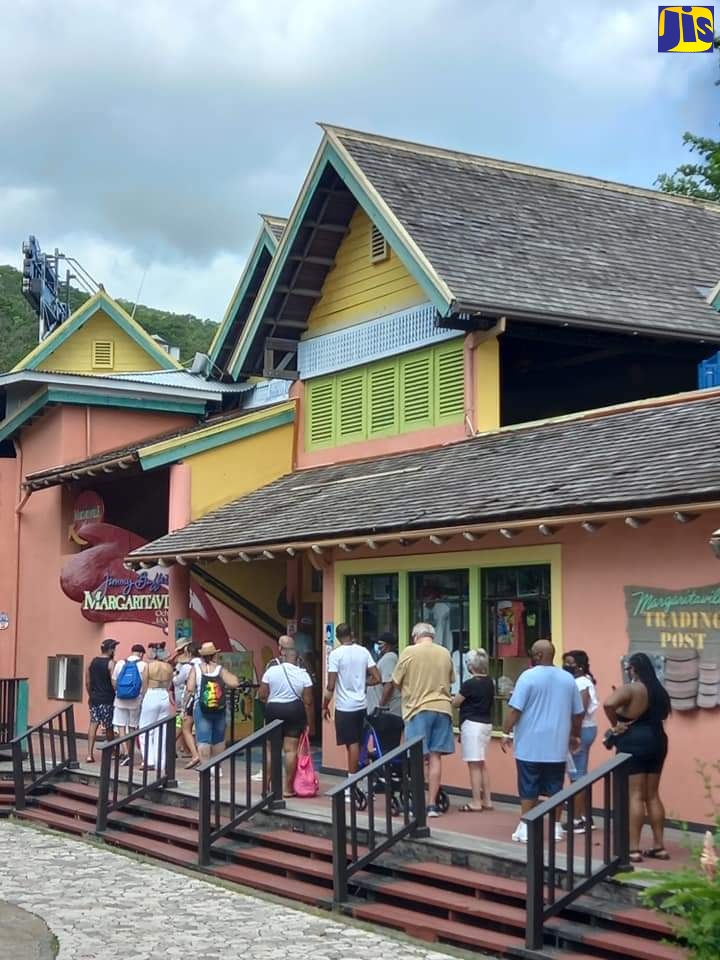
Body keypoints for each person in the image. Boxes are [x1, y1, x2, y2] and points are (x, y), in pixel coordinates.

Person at [501, 639, 583, 844]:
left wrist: (505, 731)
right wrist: (574, 735)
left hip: (530, 743)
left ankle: (527, 826)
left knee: (528, 786)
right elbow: (578, 713)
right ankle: (555, 828)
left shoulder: (528, 677)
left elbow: (515, 709)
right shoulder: (567, 679)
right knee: (555, 786)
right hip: (556, 743)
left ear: (538, 655)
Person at [603, 651, 671, 863]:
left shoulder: (632, 688)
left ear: (633, 669)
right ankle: (659, 846)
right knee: (652, 794)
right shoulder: (659, 691)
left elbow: (608, 704)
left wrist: (616, 724)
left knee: (635, 795)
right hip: (657, 740)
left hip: (634, 741)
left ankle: (633, 848)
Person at [391, 622, 455, 818]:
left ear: (415, 636)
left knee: (417, 757)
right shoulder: (444, 652)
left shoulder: (410, 652)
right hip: (443, 708)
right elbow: (451, 679)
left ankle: (417, 803)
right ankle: (432, 805)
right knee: (435, 757)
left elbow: (395, 681)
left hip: (417, 709)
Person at [323, 623, 381, 776]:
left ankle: (352, 780)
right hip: (361, 705)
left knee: (352, 743)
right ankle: (362, 776)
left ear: (337, 637)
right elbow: (377, 677)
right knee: (359, 741)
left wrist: (325, 705)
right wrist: (363, 683)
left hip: (344, 707)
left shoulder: (336, 654)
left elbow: (330, 685)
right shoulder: (363, 651)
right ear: (352, 633)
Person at [258, 647, 313, 796]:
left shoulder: (271, 671)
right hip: (294, 710)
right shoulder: (303, 675)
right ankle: (288, 789)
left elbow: (262, 694)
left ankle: (266, 787)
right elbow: (308, 702)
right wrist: (308, 724)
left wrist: (270, 704)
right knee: (291, 751)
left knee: (270, 750)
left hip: (274, 709)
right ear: (297, 660)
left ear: (282, 658)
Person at [452, 648, 495, 812]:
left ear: (471, 666)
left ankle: (476, 801)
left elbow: (456, 702)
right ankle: (487, 800)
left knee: (473, 765)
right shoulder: (489, 682)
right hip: (486, 724)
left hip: (472, 724)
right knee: (481, 763)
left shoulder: (469, 684)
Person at [184, 642, 240, 763]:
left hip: (201, 707)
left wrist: (184, 707)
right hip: (219, 707)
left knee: (203, 739)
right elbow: (235, 683)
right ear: (215, 655)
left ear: (202, 656)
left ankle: (206, 769)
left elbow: (189, 688)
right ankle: (216, 767)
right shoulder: (220, 669)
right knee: (218, 740)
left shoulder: (196, 669)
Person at [563, 649, 599, 832]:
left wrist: (573, 735)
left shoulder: (582, 683)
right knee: (579, 773)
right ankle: (584, 815)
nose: (566, 666)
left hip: (581, 730)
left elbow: (580, 711)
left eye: (570, 663)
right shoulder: (579, 681)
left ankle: (577, 819)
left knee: (577, 775)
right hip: (584, 729)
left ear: (580, 665)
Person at [138, 641, 174, 771]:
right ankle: (161, 762)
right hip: (163, 695)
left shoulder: (149, 666)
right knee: (162, 730)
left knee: (145, 729)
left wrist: (143, 698)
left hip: (151, 694)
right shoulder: (169, 667)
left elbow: (144, 685)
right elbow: (170, 685)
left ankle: (149, 760)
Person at [112, 644, 148, 765]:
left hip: (120, 699)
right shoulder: (143, 665)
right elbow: (145, 685)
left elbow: (114, 681)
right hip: (135, 699)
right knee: (133, 726)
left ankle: (125, 752)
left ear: (132, 651)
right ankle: (131, 752)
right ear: (142, 654)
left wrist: (119, 691)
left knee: (121, 726)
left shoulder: (120, 663)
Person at [85, 638, 119, 763]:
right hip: (107, 698)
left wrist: (90, 695)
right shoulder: (111, 663)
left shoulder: (91, 662)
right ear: (110, 650)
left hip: (95, 698)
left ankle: (89, 754)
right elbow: (113, 682)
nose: (114, 650)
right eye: (114, 648)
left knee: (93, 724)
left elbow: (87, 682)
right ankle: (113, 751)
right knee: (109, 726)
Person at [171, 637, 200, 767]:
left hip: (190, 700)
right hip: (206, 700)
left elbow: (181, 683)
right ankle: (193, 751)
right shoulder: (206, 664)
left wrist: (183, 706)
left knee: (185, 727)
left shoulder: (189, 666)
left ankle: (194, 754)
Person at [367, 633, 402, 717]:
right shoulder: (385, 658)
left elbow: (389, 684)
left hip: (387, 711)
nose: (378, 647)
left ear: (387, 645)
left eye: (380, 644)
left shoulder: (389, 658)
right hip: (384, 711)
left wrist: (381, 706)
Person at [421, 583, 453, 652]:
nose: (426, 600)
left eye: (428, 596)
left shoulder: (443, 608)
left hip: (442, 645)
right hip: (425, 646)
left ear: (435, 597)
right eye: (425, 597)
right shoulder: (422, 609)